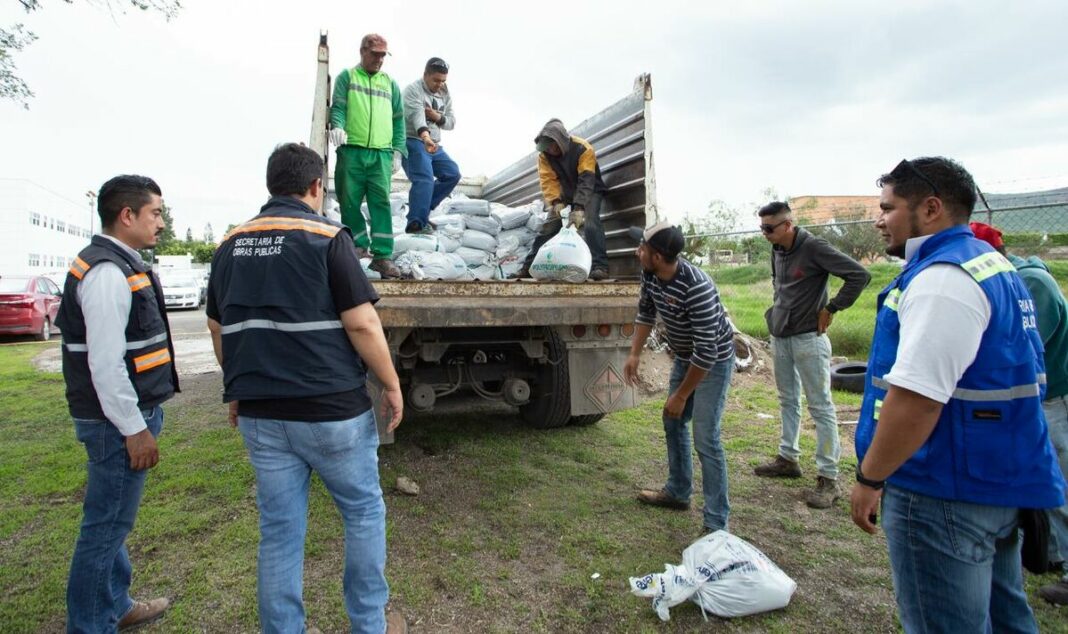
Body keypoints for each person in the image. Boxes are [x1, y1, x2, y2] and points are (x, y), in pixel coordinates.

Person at [850, 157, 1064, 632]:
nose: (880, 220)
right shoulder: (992, 266)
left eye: (888, 208)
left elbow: (918, 399)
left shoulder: (943, 280)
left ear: (930, 209)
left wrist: (870, 476)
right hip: (992, 478)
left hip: (941, 486)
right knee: (1006, 615)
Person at [206, 143, 406, 633]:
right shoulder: (326, 236)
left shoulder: (230, 244)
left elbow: (218, 327)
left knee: (278, 532)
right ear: (316, 187)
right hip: (331, 411)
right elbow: (362, 324)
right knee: (361, 513)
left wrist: (237, 388)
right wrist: (391, 384)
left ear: (271, 185)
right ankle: (368, 625)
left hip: (260, 413)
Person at [55, 175, 178, 632]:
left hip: (119, 418)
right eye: (156, 213)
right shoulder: (107, 273)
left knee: (113, 524)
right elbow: (105, 365)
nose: (161, 223)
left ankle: (116, 605)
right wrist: (134, 428)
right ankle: (91, 624)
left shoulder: (118, 264)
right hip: (115, 424)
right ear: (126, 216)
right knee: (104, 528)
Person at [969, 221, 1068, 606]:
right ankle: (1052, 553)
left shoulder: (1031, 283)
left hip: (1053, 398)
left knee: (1057, 480)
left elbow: (1023, 348)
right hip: (1036, 398)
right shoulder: (1013, 278)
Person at [753, 201, 871, 509]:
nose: (764, 233)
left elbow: (859, 275)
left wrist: (831, 308)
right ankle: (788, 459)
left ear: (788, 225)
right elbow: (780, 287)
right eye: (761, 227)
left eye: (769, 228)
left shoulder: (814, 247)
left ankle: (828, 478)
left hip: (808, 339)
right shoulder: (777, 248)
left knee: (820, 406)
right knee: (787, 399)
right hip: (781, 338)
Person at [623, 222, 736, 533]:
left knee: (706, 437)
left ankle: (716, 523)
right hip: (686, 356)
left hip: (712, 362)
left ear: (657, 256)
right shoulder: (650, 274)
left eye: (642, 248)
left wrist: (682, 394)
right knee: (672, 420)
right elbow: (646, 313)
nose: (637, 252)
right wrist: (634, 353)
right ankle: (677, 491)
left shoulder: (696, 287)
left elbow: (708, 353)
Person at [329, 33, 406, 279]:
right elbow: (338, 107)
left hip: (381, 154)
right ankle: (359, 247)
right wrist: (337, 125)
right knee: (349, 201)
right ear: (362, 51)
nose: (380, 60)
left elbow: (398, 120)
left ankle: (382, 256)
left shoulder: (390, 83)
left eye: (383, 55)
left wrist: (398, 151)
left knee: (380, 203)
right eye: (375, 54)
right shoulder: (347, 77)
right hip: (352, 150)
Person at [517, 119, 610, 281]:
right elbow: (548, 180)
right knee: (548, 227)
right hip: (565, 196)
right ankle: (528, 267)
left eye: (551, 147)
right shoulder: (544, 156)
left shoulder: (583, 148)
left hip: (590, 190)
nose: (549, 151)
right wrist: (556, 202)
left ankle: (600, 267)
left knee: (591, 223)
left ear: (559, 141)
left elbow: (586, 179)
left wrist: (579, 207)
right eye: (545, 148)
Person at [401, 57, 460, 234]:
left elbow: (451, 122)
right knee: (424, 179)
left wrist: (436, 117)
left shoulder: (444, 92)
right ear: (425, 75)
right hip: (413, 140)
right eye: (436, 80)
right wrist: (426, 137)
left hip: (433, 144)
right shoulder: (413, 90)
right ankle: (416, 224)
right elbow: (418, 118)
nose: (439, 84)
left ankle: (422, 210)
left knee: (452, 173)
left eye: (443, 81)